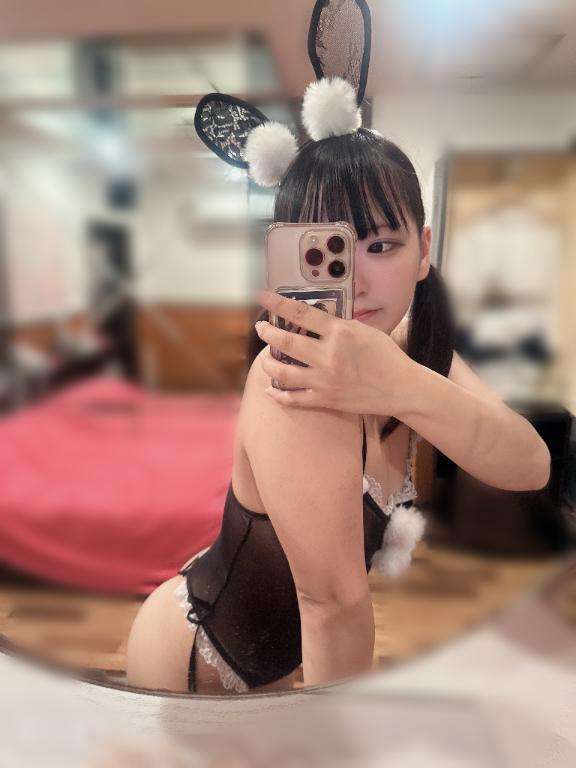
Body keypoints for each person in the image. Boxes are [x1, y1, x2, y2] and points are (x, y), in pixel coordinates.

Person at [126, 1, 551, 697]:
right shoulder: (291, 381)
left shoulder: (414, 346)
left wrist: (398, 382)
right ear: (288, 256)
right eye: (327, 250)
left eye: (381, 245)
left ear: (423, 250)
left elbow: (528, 464)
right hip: (196, 664)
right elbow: (333, 606)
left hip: (283, 660)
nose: (354, 279)